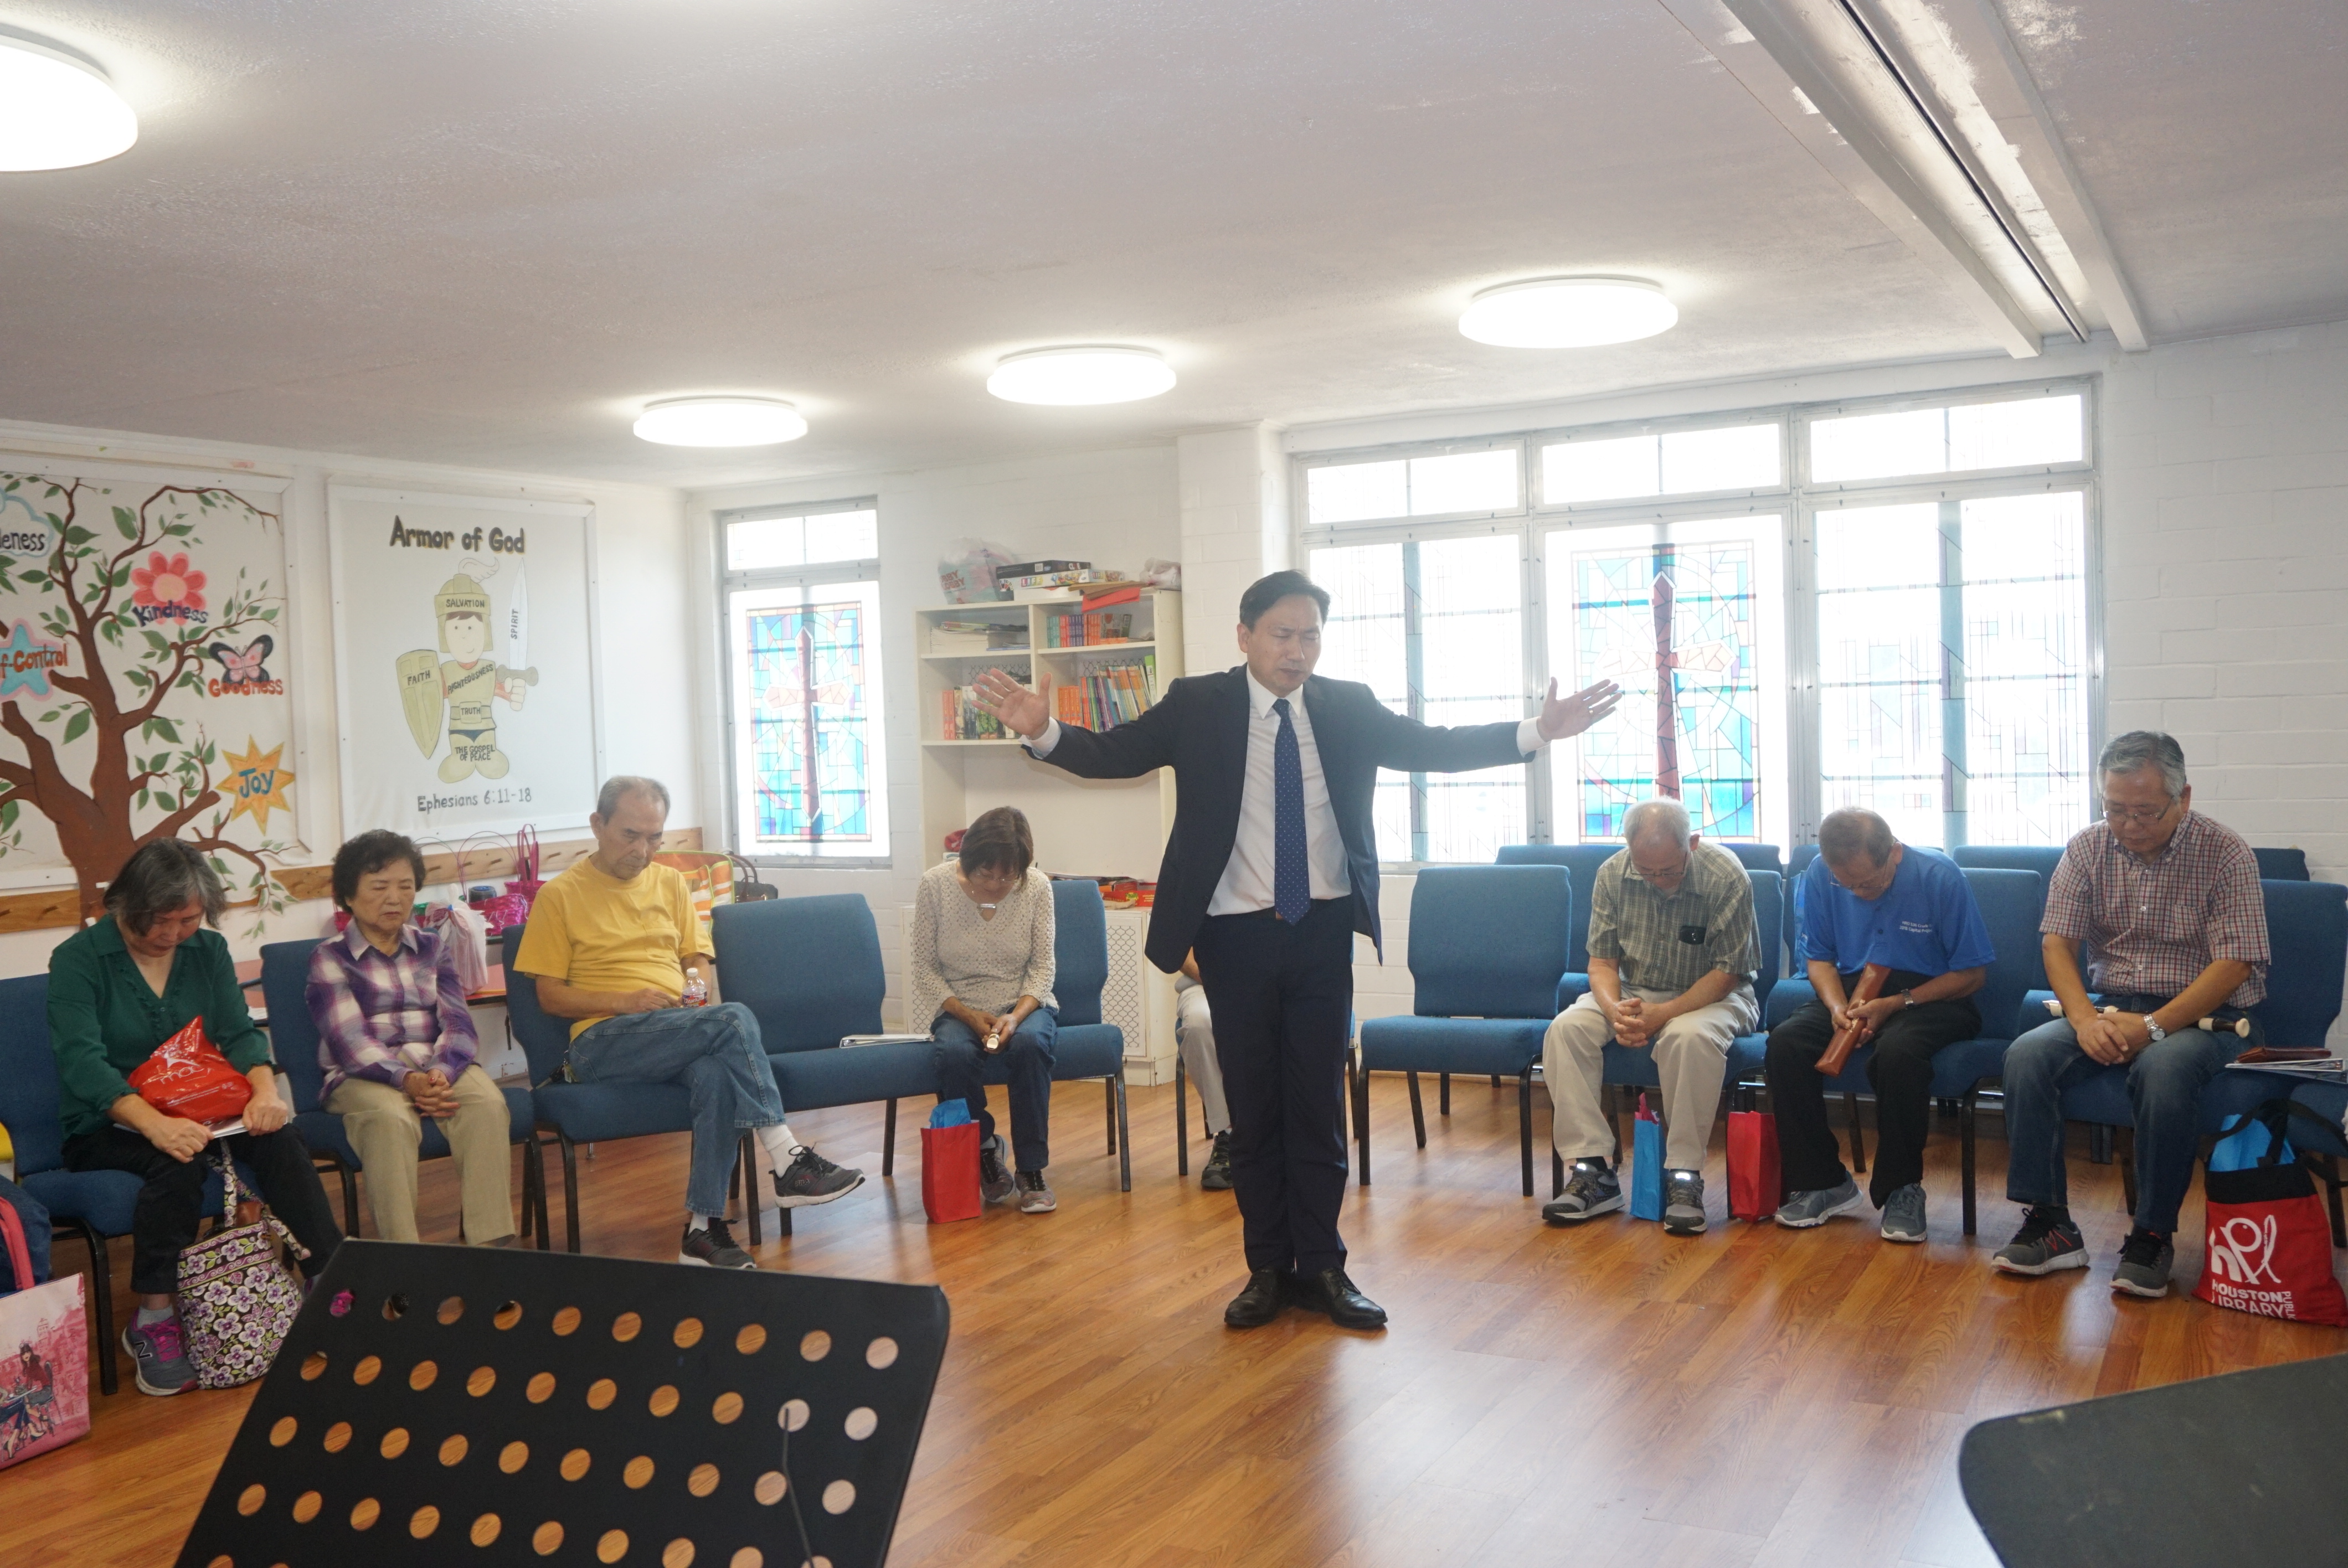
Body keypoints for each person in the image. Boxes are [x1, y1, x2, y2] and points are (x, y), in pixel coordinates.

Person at [974, 569, 1620, 1330]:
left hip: (1319, 932)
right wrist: (1042, 730)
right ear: (1244, 636)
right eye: (1282, 634)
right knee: (1254, 1112)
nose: (1297, 650)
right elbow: (1113, 754)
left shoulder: (1346, 705)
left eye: (1310, 636)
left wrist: (1537, 731)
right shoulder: (1198, 704)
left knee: (1316, 1108)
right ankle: (1267, 1269)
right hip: (1233, 937)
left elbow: (1433, 748)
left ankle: (1323, 1266)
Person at [514, 776, 862, 1269]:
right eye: (630, 835)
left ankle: (702, 1230)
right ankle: (786, 1156)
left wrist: (695, 991)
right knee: (735, 1019)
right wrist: (624, 1002)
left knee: (716, 1074)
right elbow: (549, 997)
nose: (643, 850)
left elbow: (696, 957)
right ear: (597, 824)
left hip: (672, 1028)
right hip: (600, 1040)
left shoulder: (670, 883)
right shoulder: (560, 896)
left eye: (654, 838)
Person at [49, 839, 342, 1396]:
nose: (173, 934)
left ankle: (327, 1283)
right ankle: (153, 1320)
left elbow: (237, 1033)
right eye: (160, 921)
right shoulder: (80, 959)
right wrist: (154, 1125)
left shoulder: (206, 950)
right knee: (176, 1163)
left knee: (281, 1138)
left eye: (187, 920)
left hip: (204, 1112)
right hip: (104, 1125)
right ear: (127, 905)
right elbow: (82, 1062)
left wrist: (264, 1093)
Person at [1995, 732, 2270, 1297]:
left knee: (2163, 1068)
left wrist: (2153, 1027)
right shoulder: (2087, 847)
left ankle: (2152, 1234)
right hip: (2112, 1007)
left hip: (2209, 1016)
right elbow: (2057, 943)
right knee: (2026, 1056)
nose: (2128, 824)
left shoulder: (2225, 852)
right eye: (2115, 809)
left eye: (2145, 811)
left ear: (2182, 798)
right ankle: (2050, 1224)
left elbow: (2235, 964)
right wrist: (2084, 1021)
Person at [1768, 808, 1993, 1242]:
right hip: (1854, 988)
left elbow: (1972, 975)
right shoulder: (1821, 873)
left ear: (1894, 852)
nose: (1859, 894)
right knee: (1786, 1043)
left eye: (1869, 884)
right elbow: (1818, 958)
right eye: (1848, 885)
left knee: (1898, 1053)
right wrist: (1837, 1007)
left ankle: (1901, 1188)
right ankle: (1822, 1182)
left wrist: (1895, 1004)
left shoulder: (1939, 876)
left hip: (1932, 994)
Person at [1539, 798, 1759, 1236]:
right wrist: (1614, 1010)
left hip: (1716, 994)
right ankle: (1594, 1171)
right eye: (1646, 871)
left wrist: (1664, 1015)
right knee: (1565, 1030)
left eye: (1668, 871)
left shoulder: (1725, 875)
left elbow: (1728, 972)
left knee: (1688, 1037)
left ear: (1691, 844)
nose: (1657, 881)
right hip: (1635, 990)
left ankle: (1684, 1176)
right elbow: (1602, 963)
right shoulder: (1612, 873)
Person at [306, 829, 515, 1247]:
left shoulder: (432, 947)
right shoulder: (330, 957)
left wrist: (441, 1072)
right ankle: (402, 1261)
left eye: (405, 886)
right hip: (360, 1074)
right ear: (348, 896)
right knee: (391, 1119)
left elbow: (458, 1023)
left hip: (433, 1064)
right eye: (379, 886)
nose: (394, 898)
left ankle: (490, 1252)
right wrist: (406, 1080)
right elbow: (349, 1042)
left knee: (488, 1104)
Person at [909, 807, 1060, 1214]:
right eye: (986, 874)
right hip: (959, 1004)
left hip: (1025, 1002)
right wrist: (967, 1015)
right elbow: (924, 968)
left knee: (1030, 1045)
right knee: (954, 1054)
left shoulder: (1037, 887)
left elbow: (1043, 968)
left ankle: (1032, 1169)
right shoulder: (935, 886)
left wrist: (1016, 1016)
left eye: (1007, 877)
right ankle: (985, 1149)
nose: (996, 885)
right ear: (967, 859)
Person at [1176, 951, 1234, 1192]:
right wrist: (1214, 978)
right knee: (1198, 1025)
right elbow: (1179, 950)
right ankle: (1229, 1133)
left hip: (1274, 983)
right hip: (1204, 984)